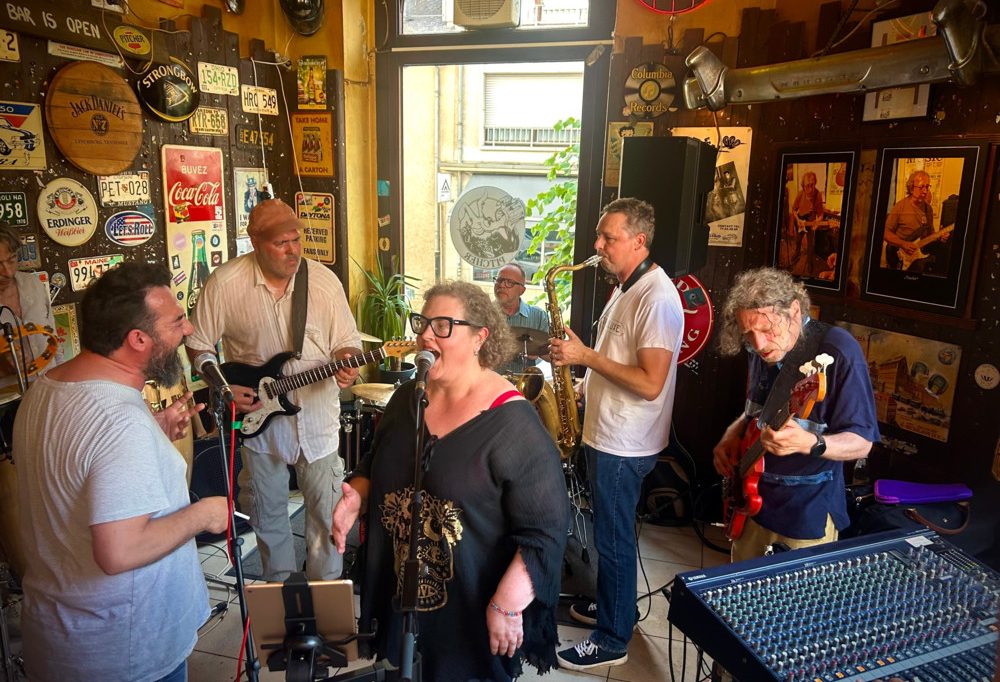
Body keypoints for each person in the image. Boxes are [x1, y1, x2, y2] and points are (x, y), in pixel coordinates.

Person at [331, 281, 568, 681]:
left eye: (443, 325)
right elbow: (377, 460)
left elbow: (546, 531)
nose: (425, 334)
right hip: (402, 598)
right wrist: (359, 494)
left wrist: (507, 605)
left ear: (480, 337)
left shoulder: (513, 423)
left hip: (471, 613)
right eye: (423, 322)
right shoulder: (408, 398)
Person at [12, 263, 227, 681]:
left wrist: (153, 432)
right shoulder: (119, 422)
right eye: (178, 321)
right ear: (138, 340)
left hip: (62, 639)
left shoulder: (45, 390)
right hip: (122, 653)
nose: (189, 330)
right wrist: (205, 514)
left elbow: (80, 466)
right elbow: (119, 552)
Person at [186, 198, 361, 582]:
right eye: (281, 242)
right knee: (269, 522)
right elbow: (197, 344)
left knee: (328, 526)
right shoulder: (225, 284)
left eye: (296, 240)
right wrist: (223, 385)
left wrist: (347, 360)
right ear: (254, 241)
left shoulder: (323, 281)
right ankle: (283, 607)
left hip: (317, 427)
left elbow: (347, 341)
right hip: (259, 430)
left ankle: (325, 606)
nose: (293, 249)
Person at [548, 198, 685, 670]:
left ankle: (612, 638)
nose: (598, 244)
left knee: (613, 539)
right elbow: (621, 362)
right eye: (599, 236)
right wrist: (583, 381)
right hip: (607, 434)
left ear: (639, 241)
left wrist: (584, 357)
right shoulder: (626, 286)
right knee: (610, 532)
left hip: (624, 444)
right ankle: (616, 605)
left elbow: (650, 383)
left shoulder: (657, 297)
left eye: (609, 237)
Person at [712, 267, 879, 562]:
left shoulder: (838, 351)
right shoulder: (759, 350)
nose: (758, 343)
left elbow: (862, 442)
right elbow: (755, 413)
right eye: (748, 333)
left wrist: (810, 443)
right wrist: (733, 432)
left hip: (804, 514)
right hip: (751, 503)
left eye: (767, 330)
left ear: (794, 310)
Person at [0, 223, 55, 391]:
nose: (8, 272)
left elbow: (52, 337)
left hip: (47, 385)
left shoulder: (33, 284)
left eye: (12, 260)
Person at [883, 169, 950, 273]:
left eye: (927, 187)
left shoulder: (928, 209)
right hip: (899, 256)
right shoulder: (900, 207)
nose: (925, 191)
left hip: (918, 255)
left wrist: (939, 237)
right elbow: (885, 233)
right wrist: (902, 244)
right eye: (921, 187)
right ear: (911, 188)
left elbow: (930, 233)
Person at [493, 262, 548, 374]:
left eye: (509, 282)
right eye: (499, 280)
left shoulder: (538, 316)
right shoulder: (482, 314)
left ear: (522, 290)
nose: (501, 285)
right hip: (489, 385)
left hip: (524, 388)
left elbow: (553, 356)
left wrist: (538, 352)